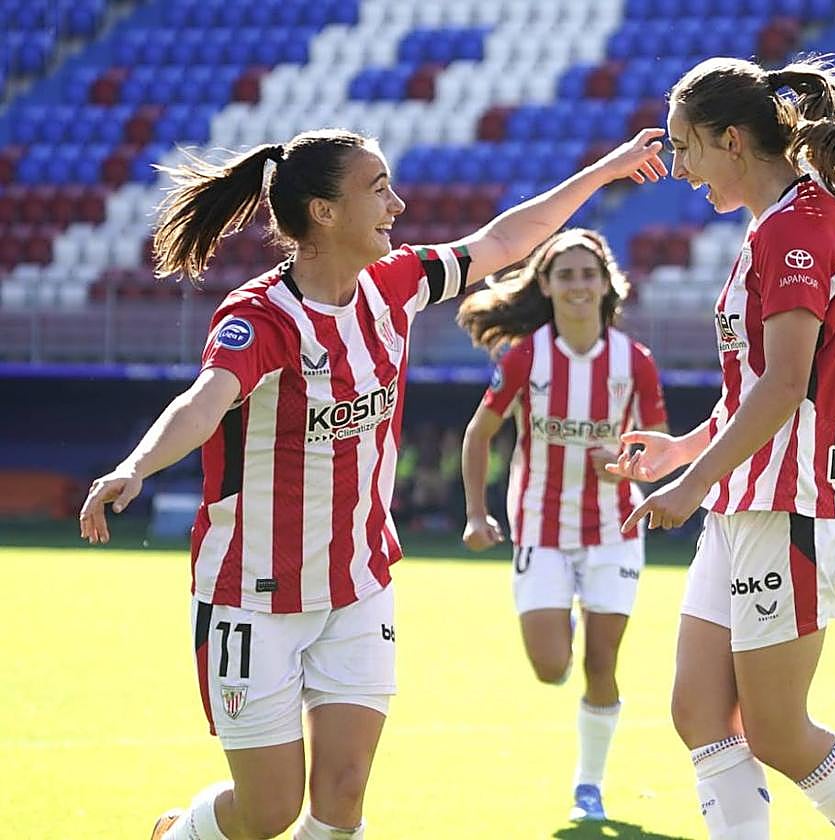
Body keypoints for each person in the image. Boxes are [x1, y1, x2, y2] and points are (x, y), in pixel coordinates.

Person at [77, 127, 666, 840]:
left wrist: (602, 170)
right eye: (378, 187)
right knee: (267, 811)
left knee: (344, 796)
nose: (399, 202)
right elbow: (205, 400)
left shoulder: (397, 282)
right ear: (324, 212)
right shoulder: (261, 317)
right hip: (253, 594)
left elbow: (505, 241)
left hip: (358, 584)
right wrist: (135, 466)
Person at [606, 56, 835, 839]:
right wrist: (685, 452)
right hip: (746, 501)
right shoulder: (773, 227)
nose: (678, 168)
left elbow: (783, 390)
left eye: (685, 148)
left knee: (777, 731)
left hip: (790, 507)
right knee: (699, 712)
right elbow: (758, 396)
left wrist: (689, 485)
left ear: (732, 140)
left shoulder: (800, 231)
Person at [457, 228, 669, 822]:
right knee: (552, 668)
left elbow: (659, 453)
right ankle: (566, 610)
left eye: (588, 274)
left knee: (602, 663)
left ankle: (589, 788)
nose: (579, 285)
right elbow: (479, 435)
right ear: (546, 285)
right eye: (566, 275)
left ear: (607, 285)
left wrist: (625, 466)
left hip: (614, 530)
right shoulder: (527, 357)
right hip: (541, 528)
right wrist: (477, 514)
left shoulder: (636, 363)